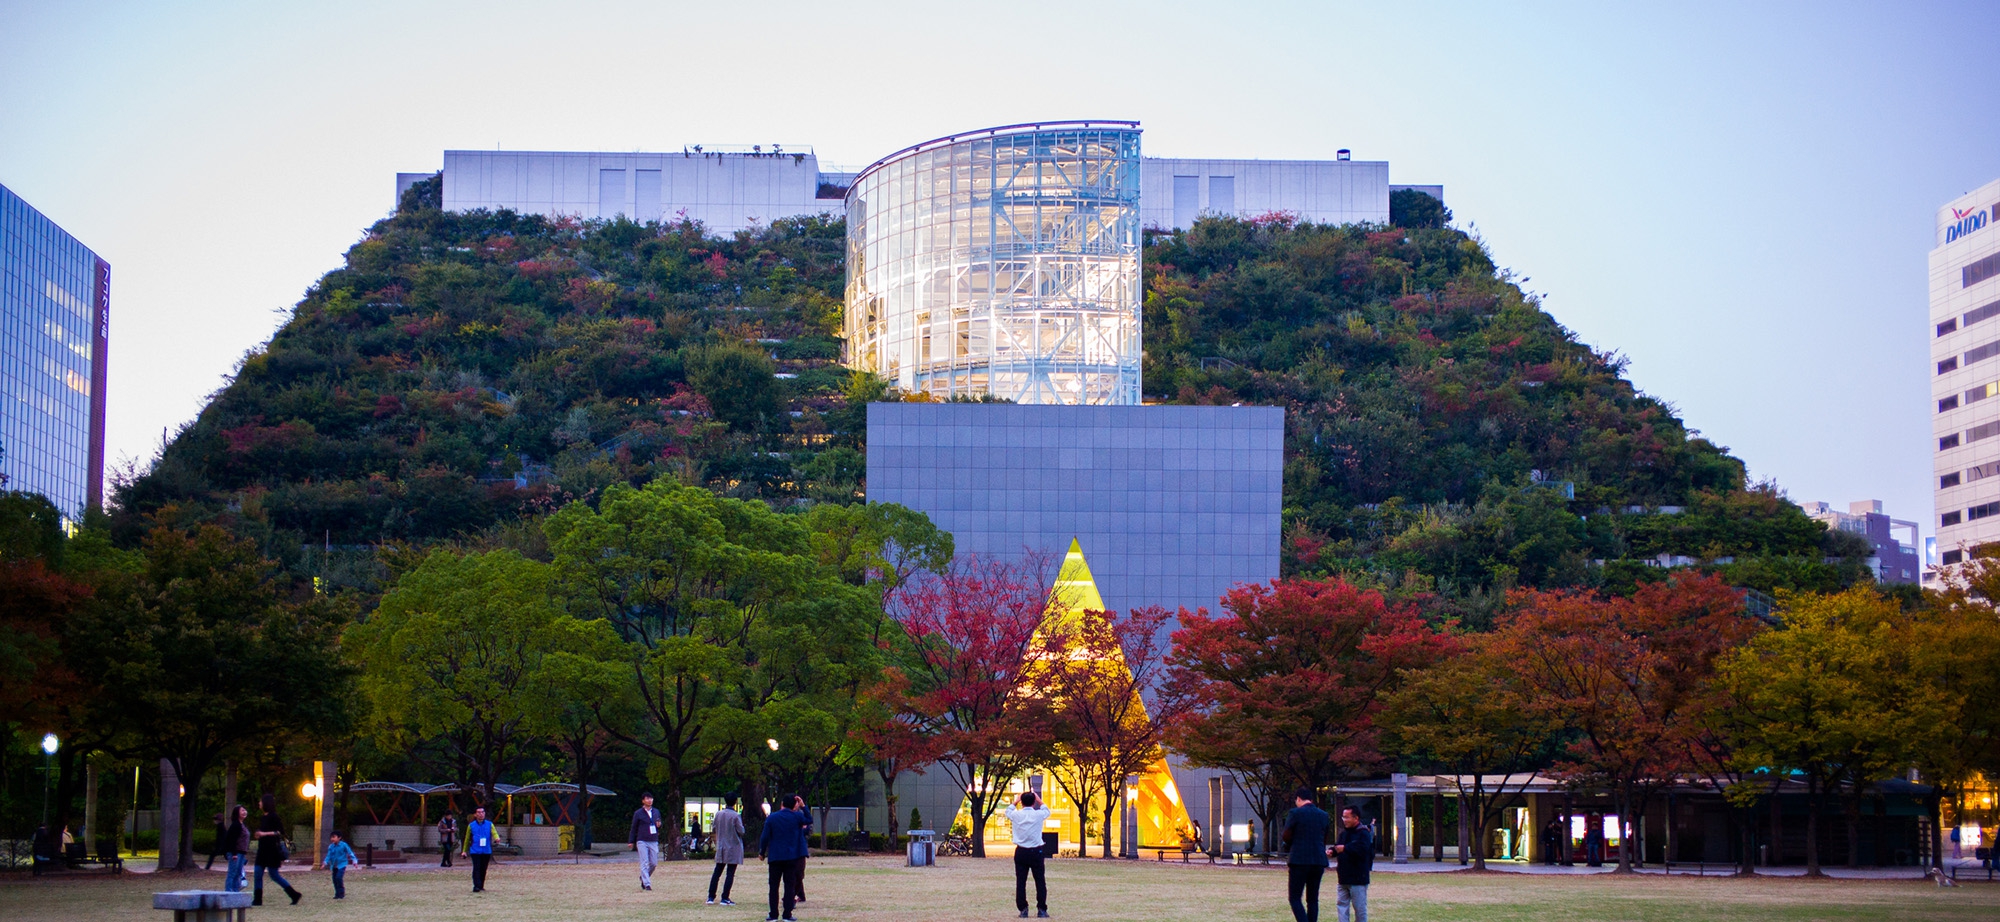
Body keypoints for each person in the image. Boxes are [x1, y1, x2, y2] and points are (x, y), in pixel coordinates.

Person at [758, 793, 810, 922]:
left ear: (782, 804)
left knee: (773, 886)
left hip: (775, 856)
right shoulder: (797, 817)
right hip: (792, 856)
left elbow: (765, 837)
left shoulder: (772, 818)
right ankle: (787, 914)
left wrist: (762, 852)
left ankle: (773, 914)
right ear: (795, 805)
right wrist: (803, 807)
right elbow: (809, 820)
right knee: (789, 886)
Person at [1281, 788, 1332, 922]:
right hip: (1318, 860)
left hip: (1299, 859)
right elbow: (1325, 836)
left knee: (1295, 897)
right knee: (1313, 899)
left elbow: (1286, 835)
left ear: (1298, 798)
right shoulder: (1323, 815)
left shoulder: (1295, 813)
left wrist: (1291, 844)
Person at [1004, 790, 1053, 919]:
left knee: (1021, 882)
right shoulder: (1038, 815)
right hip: (1036, 851)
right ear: (1033, 802)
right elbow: (1047, 810)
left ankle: (1023, 909)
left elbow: (1007, 811)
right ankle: (1042, 909)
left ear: (1022, 803)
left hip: (1021, 851)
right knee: (1040, 881)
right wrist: (1039, 799)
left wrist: (1016, 800)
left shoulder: (1016, 815)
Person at [253, 793, 302, 906]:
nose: (259, 803)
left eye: (261, 801)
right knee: (257, 873)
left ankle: (293, 894)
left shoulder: (274, 816)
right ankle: (257, 899)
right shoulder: (263, 817)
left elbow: (280, 832)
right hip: (262, 850)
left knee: (274, 874)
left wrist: (264, 834)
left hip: (272, 850)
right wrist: (259, 835)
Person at [1332, 806, 1373, 922]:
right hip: (1343, 878)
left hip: (1358, 879)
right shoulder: (1344, 834)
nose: (1344, 820)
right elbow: (1338, 847)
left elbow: (1363, 850)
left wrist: (1345, 848)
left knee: (1359, 909)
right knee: (1342, 907)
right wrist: (1332, 851)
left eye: (1347, 817)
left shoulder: (1363, 833)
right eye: (1343, 817)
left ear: (1356, 818)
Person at [708, 794, 747, 906]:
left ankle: (711, 896)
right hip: (733, 846)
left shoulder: (719, 814)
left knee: (717, 872)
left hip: (721, 846)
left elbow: (714, 828)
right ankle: (725, 897)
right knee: (730, 873)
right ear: (735, 802)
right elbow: (741, 831)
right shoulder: (735, 816)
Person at [631, 792, 662, 891]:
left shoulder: (656, 811)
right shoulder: (638, 813)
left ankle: (644, 877)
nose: (650, 800)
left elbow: (659, 824)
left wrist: (659, 825)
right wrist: (631, 841)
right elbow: (634, 827)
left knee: (654, 863)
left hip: (653, 840)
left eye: (651, 798)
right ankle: (647, 884)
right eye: (647, 799)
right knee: (644, 862)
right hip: (642, 840)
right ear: (643, 801)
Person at [464, 805, 495, 892]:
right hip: (475, 851)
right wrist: (464, 851)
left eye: (482, 812)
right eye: (479, 812)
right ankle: (476, 885)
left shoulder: (489, 824)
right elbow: (467, 839)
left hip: (486, 851)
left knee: (483, 869)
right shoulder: (471, 825)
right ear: (475, 814)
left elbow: (494, 832)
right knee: (476, 868)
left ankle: (481, 885)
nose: (481, 814)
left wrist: (497, 838)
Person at [222, 805, 252, 892]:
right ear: (237, 813)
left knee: (238, 874)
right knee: (232, 873)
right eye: (242, 810)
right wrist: (234, 854)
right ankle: (229, 892)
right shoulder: (236, 825)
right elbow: (232, 840)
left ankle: (235, 892)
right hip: (235, 853)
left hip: (241, 852)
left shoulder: (241, 824)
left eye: (244, 810)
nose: (244, 812)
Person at [324, 831, 358, 900]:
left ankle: (341, 893)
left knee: (339, 877)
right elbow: (328, 855)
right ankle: (337, 894)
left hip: (342, 865)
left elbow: (350, 852)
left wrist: (354, 861)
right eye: (331, 837)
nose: (332, 839)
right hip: (334, 865)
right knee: (334, 879)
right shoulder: (331, 846)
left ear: (339, 838)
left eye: (334, 837)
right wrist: (325, 862)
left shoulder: (344, 845)